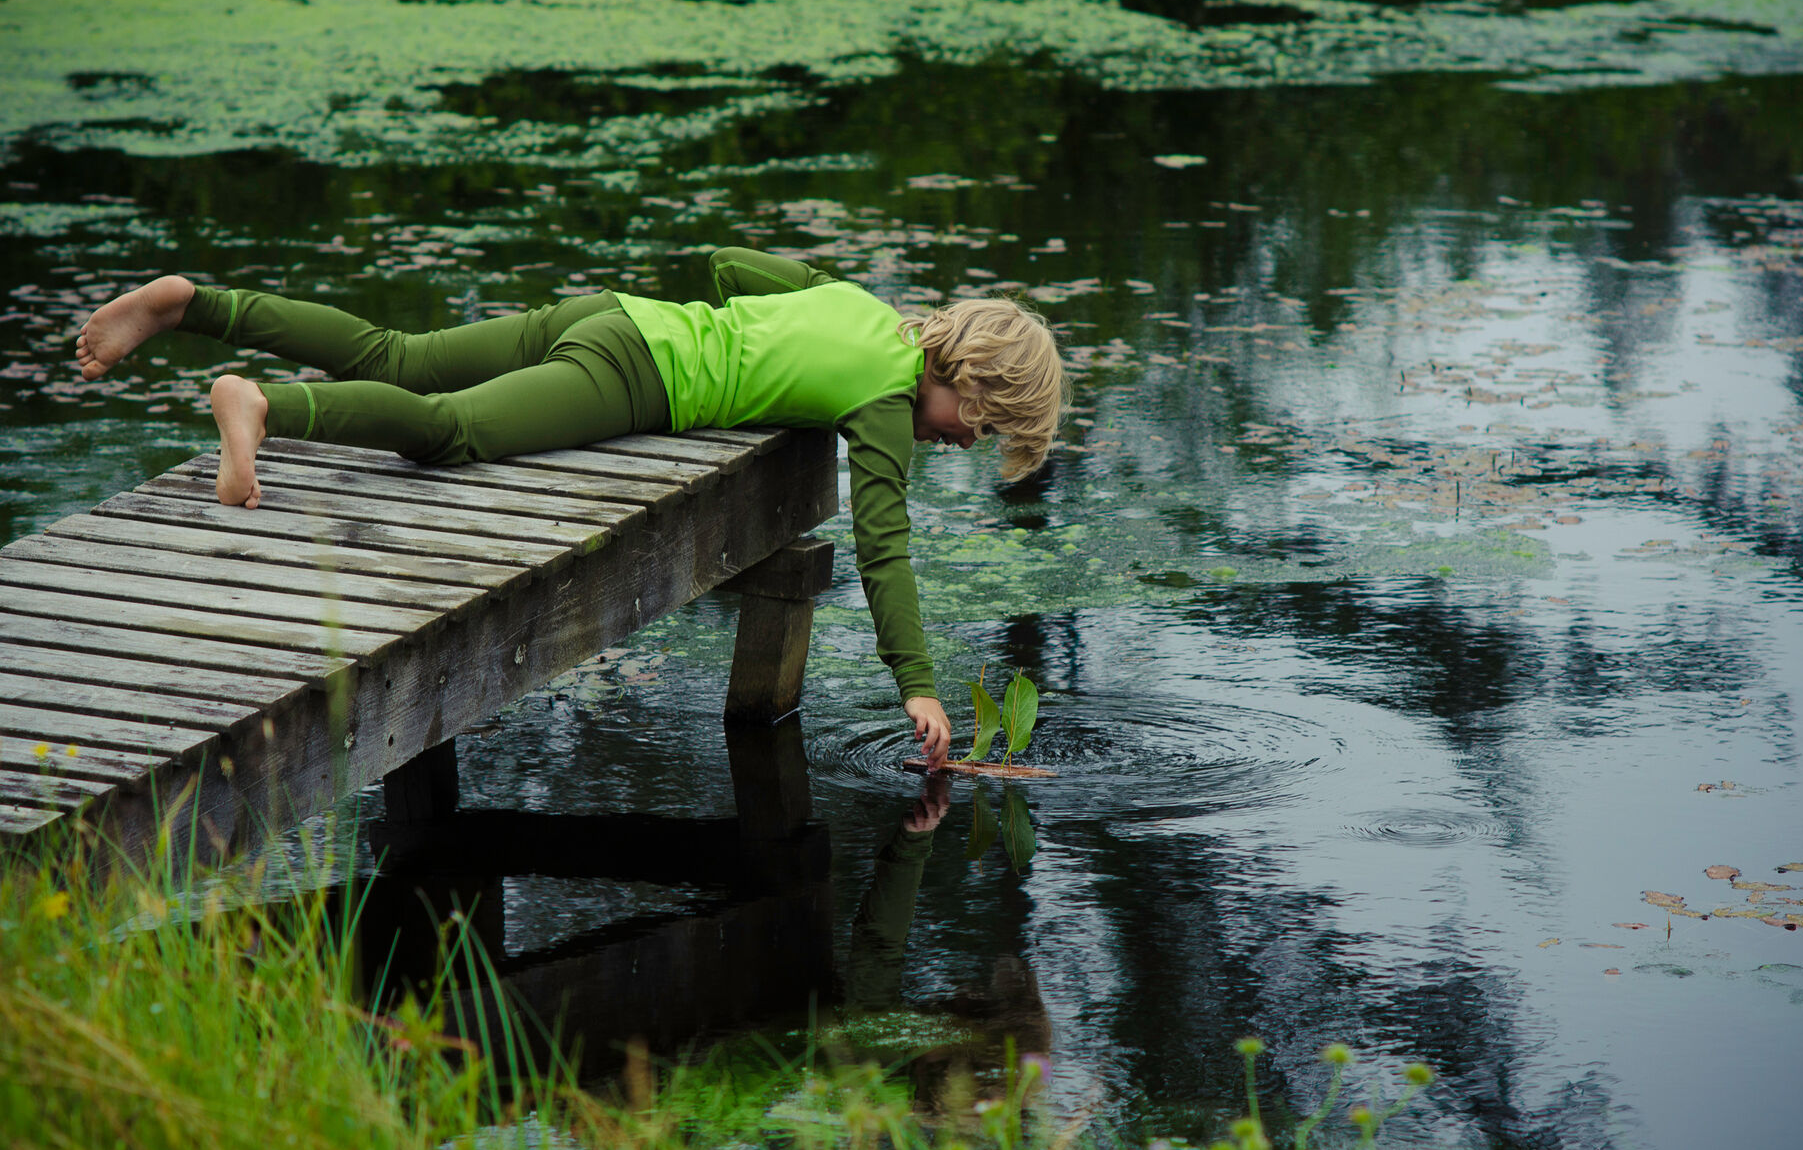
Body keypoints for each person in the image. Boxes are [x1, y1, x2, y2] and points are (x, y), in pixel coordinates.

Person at [72, 249, 1066, 767]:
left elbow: (731, 267)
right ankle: (265, 406)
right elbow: (884, 548)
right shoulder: (884, 407)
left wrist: (771, 354)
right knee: (449, 430)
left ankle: (191, 305)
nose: (966, 441)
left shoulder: (857, 304)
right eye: (979, 423)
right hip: (632, 375)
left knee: (397, 354)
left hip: (612, 313)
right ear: (967, 379)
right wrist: (917, 686)